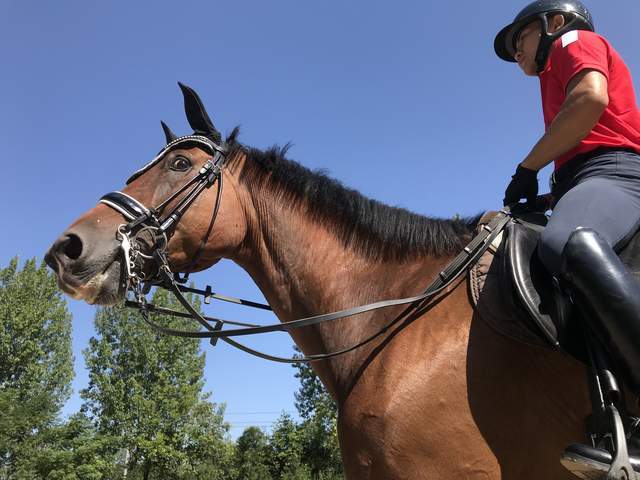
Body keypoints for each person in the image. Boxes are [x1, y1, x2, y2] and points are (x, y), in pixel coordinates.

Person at [494, 0, 640, 476]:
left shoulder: (574, 43)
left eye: (522, 37)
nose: (517, 51)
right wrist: (544, 194)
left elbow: (591, 99)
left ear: (554, 23)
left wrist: (527, 167)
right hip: (589, 178)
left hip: (620, 173)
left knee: (568, 241)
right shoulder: (550, 76)